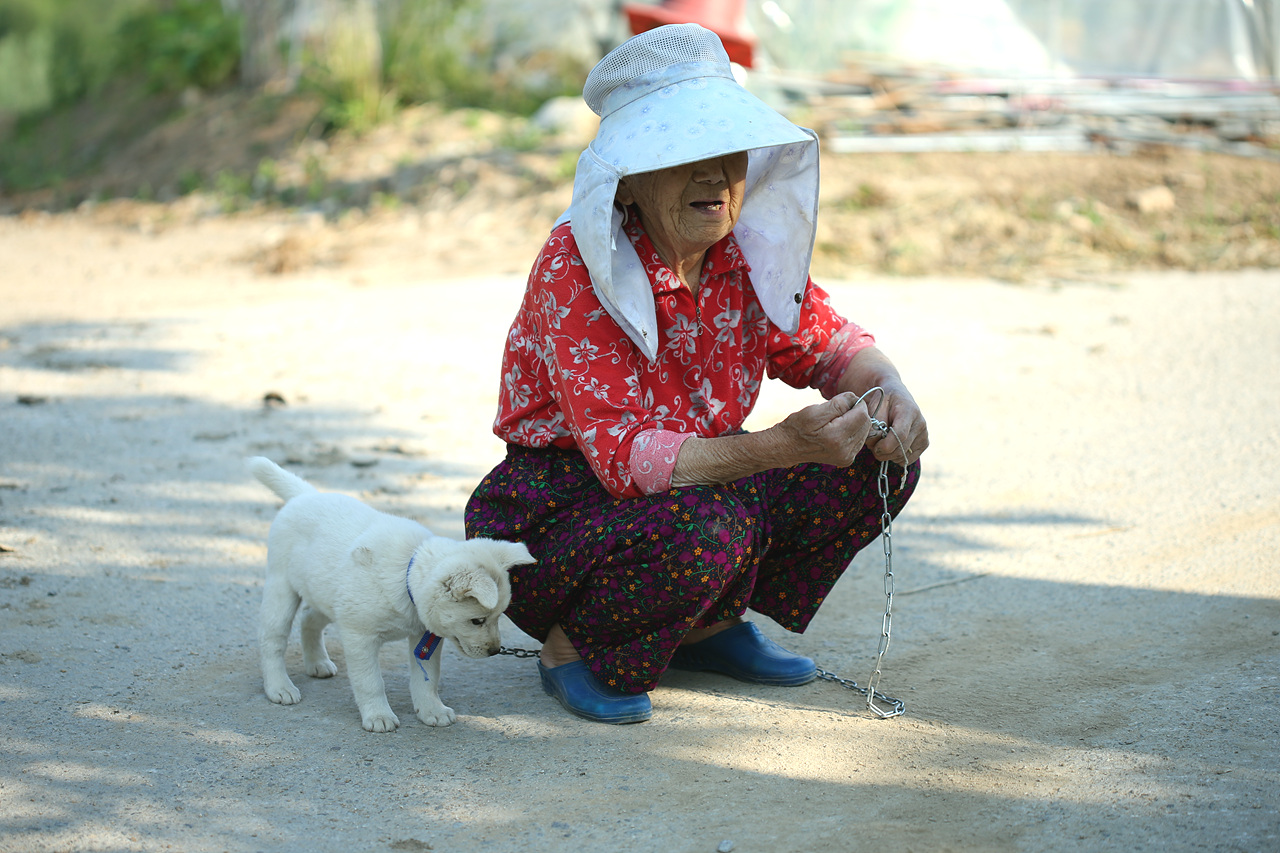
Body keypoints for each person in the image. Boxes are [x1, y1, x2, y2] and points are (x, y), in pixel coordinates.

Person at [465, 23, 928, 724]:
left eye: (726, 150)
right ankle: (573, 644)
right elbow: (622, 458)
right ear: (629, 177)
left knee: (879, 456)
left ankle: (705, 624)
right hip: (557, 503)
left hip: (696, 488)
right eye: (684, 152)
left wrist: (886, 386)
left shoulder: (741, 253)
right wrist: (780, 446)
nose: (714, 173)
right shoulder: (578, 266)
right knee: (709, 524)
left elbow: (828, 343)